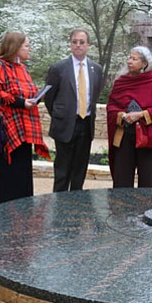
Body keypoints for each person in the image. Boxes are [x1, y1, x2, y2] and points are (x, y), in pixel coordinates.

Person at [0, 31, 50, 205]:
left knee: (22, 177)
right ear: (15, 48)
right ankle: (4, 221)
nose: (29, 49)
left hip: (24, 133)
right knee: (7, 180)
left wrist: (36, 97)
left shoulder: (22, 69)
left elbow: (25, 93)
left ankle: (23, 219)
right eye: (26, 45)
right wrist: (21, 103)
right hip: (6, 133)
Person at [44, 28, 103, 191]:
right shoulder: (58, 68)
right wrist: (60, 115)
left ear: (88, 45)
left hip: (86, 125)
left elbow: (95, 94)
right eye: (74, 42)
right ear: (70, 44)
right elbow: (49, 98)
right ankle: (59, 207)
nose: (78, 45)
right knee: (62, 172)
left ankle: (76, 206)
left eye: (82, 42)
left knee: (80, 171)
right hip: (65, 125)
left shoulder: (96, 69)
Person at [106, 46, 152, 188]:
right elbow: (111, 107)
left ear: (144, 63)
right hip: (123, 135)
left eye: (134, 59)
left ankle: (148, 209)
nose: (129, 61)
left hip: (148, 137)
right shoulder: (121, 82)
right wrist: (121, 115)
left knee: (148, 182)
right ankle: (121, 209)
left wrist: (140, 115)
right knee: (121, 180)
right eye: (129, 58)